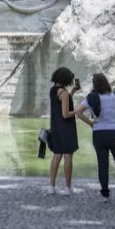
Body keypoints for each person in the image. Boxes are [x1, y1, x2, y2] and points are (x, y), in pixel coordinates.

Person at [74, 73, 115, 203]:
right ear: (106, 82)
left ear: (94, 85)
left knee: (103, 165)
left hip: (99, 134)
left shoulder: (92, 98)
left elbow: (78, 112)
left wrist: (90, 123)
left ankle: (105, 195)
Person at [47, 67, 81, 196]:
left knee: (56, 156)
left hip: (56, 127)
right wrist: (77, 112)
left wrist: (73, 91)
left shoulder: (54, 91)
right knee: (68, 156)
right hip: (66, 128)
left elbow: (63, 103)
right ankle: (67, 188)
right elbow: (66, 114)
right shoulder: (64, 93)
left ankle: (51, 186)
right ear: (65, 79)